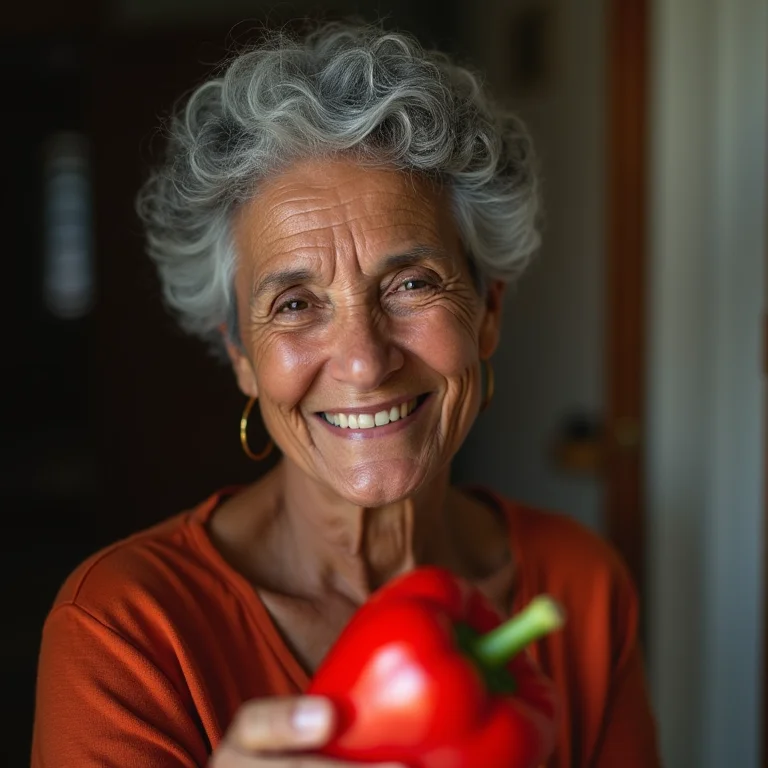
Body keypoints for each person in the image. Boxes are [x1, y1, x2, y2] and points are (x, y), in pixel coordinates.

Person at [31, 22, 661, 768]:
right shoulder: (124, 631)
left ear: (487, 312)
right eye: (295, 303)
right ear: (239, 351)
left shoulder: (579, 588)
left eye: (411, 284)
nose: (363, 362)